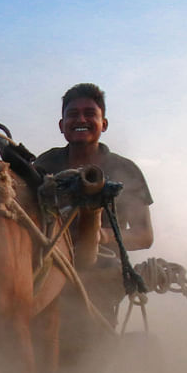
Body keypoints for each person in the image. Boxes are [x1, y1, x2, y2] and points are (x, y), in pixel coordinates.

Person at [33, 82, 154, 253]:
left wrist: (100, 236)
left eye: (89, 114)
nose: (81, 119)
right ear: (61, 125)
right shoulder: (45, 164)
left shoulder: (126, 171)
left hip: (106, 270)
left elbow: (144, 235)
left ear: (104, 124)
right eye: (73, 114)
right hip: (48, 262)